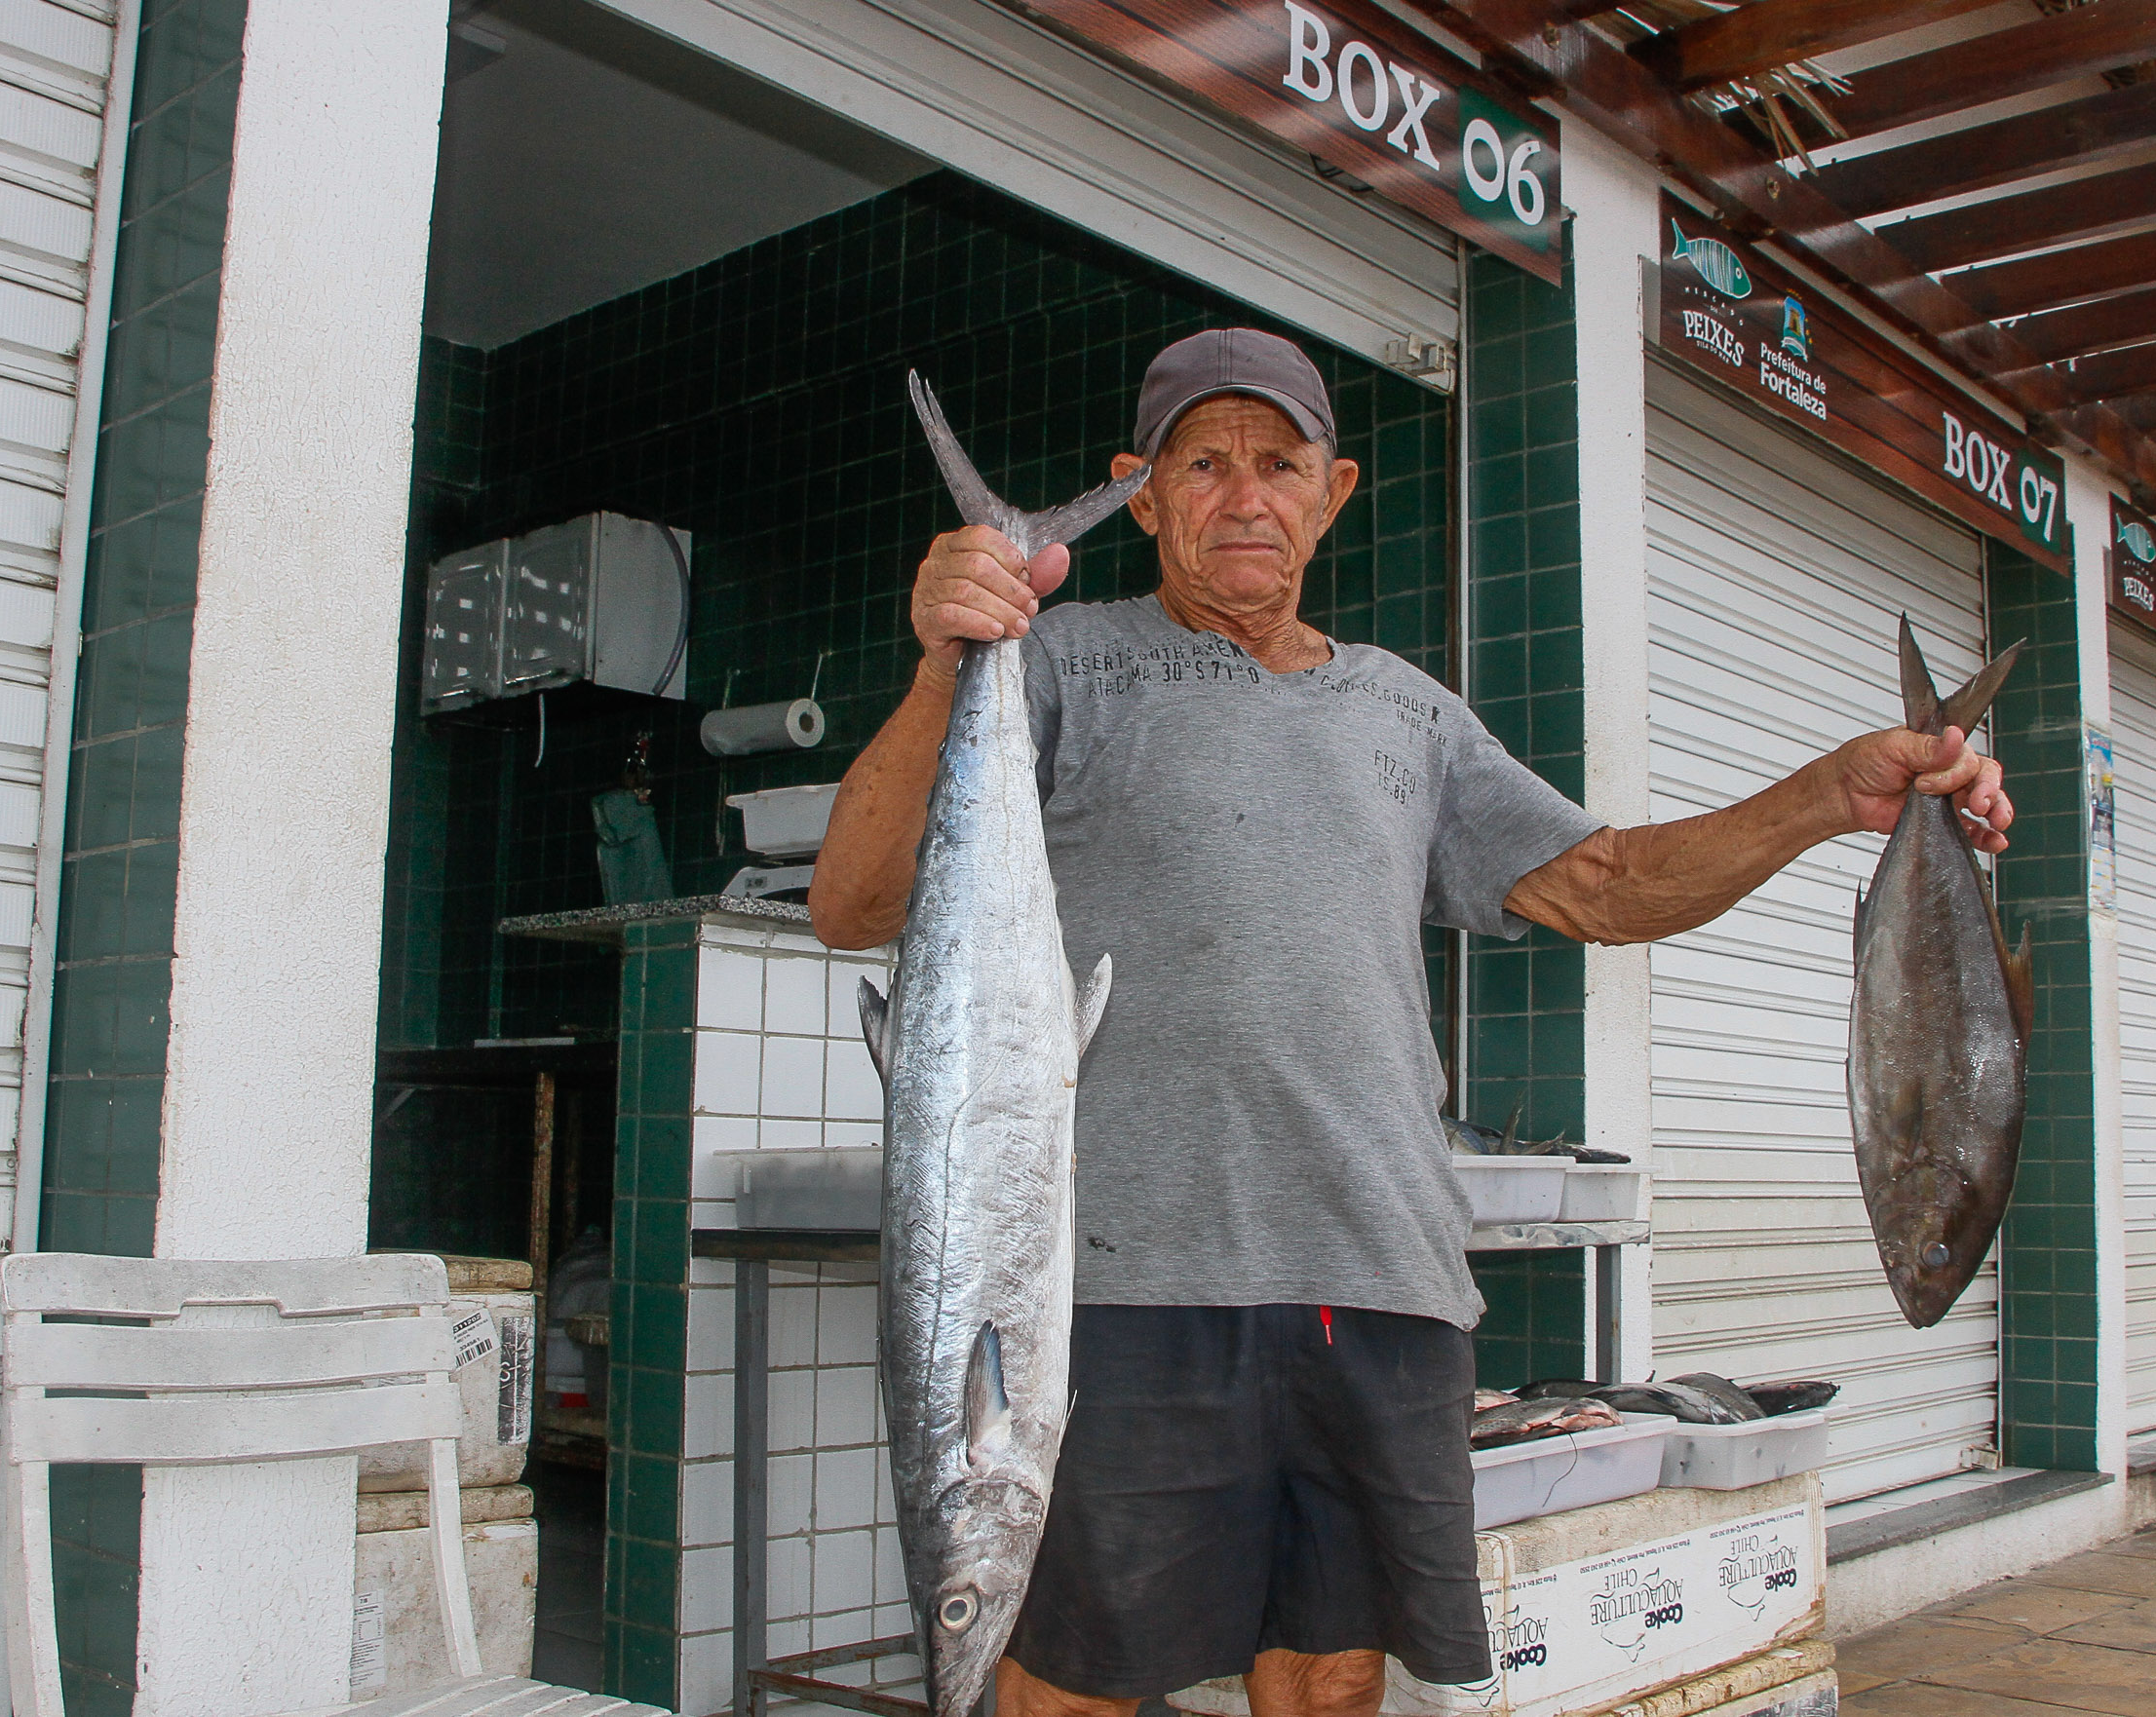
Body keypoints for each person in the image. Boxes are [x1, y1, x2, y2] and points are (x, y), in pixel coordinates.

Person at [809, 329, 2011, 1717]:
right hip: (1116, 1292)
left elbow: (1609, 884)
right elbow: (856, 898)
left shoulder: (1411, 715)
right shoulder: (1062, 663)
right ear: (1140, 495)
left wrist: (1831, 794)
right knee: (1070, 1685)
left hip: (1378, 1283)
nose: (1245, 494)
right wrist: (945, 658)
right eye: (1205, 463)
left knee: (1328, 1681)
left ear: (1336, 492)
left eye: (1282, 463)